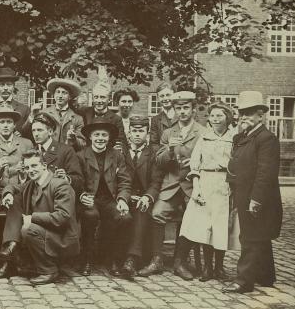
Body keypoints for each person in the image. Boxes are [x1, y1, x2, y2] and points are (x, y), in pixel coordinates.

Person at [223, 91, 283, 294]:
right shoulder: (242, 137)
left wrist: (256, 199)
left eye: (249, 113)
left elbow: (266, 173)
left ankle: (244, 281)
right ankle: (266, 276)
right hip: (242, 192)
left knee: (250, 236)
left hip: (258, 196)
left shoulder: (267, 139)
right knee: (260, 234)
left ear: (261, 115)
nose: (244, 117)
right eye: (242, 113)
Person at [0, 151, 80, 285]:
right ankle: (11, 247)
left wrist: (32, 218)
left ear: (44, 165)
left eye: (34, 166)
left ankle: (49, 270)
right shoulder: (32, 184)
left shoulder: (60, 185)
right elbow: (12, 186)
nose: (31, 170)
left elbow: (62, 217)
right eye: (28, 167)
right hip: (43, 232)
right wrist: (8, 194)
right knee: (15, 200)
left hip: (61, 237)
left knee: (28, 229)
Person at [179, 102, 238, 282]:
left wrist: (233, 186)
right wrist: (197, 188)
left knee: (220, 226)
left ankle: (219, 267)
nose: (215, 119)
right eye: (212, 116)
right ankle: (207, 268)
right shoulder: (204, 137)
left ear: (227, 118)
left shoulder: (235, 138)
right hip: (205, 181)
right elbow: (195, 164)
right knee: (205, 226)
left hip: (224, 183)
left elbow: (238, 164)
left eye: (219, 116)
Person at [151, 91, 205, 281]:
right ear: (174, 110)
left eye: (185, 108)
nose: (182, 112)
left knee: (192, 217)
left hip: (192, 185)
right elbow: (158, 162)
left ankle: (179, 262)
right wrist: (169, 151)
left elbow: (207, 159)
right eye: (178, 108)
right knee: (157, 213)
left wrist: (196, 163)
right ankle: (157, 260)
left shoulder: (202, 132)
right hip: (172, 184)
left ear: (193, 109)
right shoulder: (168, 132)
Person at [76, 120, 132, 277]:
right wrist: (81, 196)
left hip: (110, 199)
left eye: (104, 135)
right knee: (90, 215)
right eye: (97, 135)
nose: (100, 138)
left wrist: (122, 199)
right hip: (89, 199)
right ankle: (86, 259)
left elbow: (125, 181)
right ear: (90, 137)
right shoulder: (81, 156)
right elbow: (76, 182)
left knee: (124, 218)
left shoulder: (117, 155)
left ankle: (113, 259)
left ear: (109, 138)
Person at [117, 116, 165, 277]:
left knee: (141, 212)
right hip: (123, 195)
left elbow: (156, 181)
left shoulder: (154, 153)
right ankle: (117, 258)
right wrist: (126, 196)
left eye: (141, 131)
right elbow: (115, 178)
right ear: (128, 133)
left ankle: (131, 259)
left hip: (144, 198)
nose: (137, 134)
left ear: (148, 134)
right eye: (134, 131)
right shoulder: (120, 151)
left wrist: (147, 197)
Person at [0, 106, 36, 222]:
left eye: (9, 122)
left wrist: (23, 173)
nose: (5, 125)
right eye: (2, 122)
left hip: (19, 192)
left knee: (26, 212)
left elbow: (34, 171)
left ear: (15, 125)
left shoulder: (27, 144)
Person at [27, 112, 84, 196]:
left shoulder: (66, 150)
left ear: (50, 132)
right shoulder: (31, 152)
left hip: (57, 199)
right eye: (33, 130)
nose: (36, 134)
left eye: (39, 130)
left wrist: (65, 178)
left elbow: (79, 180)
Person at [26, 78, 86, 150]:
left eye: (64, 93)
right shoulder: (44, 113)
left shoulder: (77, 118)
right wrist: (32, 116)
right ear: (54, 95)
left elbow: (83, 144)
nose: (60, 96)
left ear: (70, 97)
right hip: (47, 154)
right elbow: (27, 134)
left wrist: (74, 139)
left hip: (67, 156)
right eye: (58, 92)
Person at [76, 82, 125, 151]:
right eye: (96, 97)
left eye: (102, 97)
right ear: (92, 99)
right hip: (86, 155)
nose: (99, 101)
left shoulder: (116, 119)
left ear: (109, 99)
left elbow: (119, 141)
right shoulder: (84, 112)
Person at [149, 82, 178, 146]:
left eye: (168, 95)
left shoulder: (182, 116)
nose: (165, 98)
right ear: (158, 98)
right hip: (163, 154)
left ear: (174, 95)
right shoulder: (155, 120)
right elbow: (154, 145)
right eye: (162, 96)